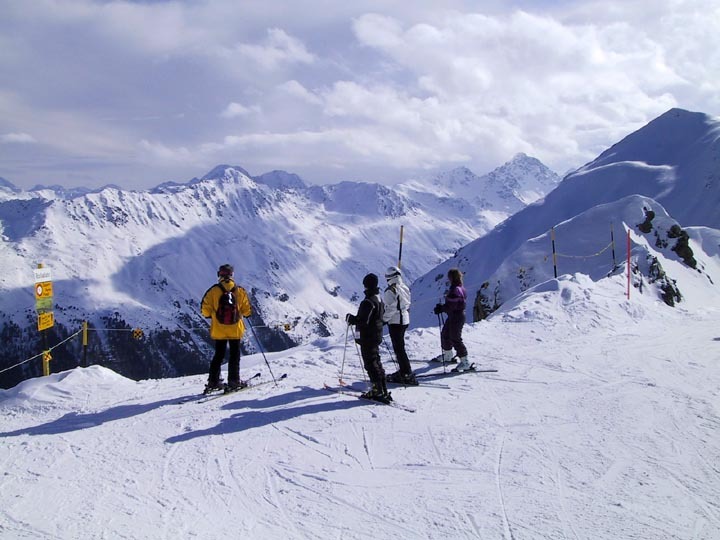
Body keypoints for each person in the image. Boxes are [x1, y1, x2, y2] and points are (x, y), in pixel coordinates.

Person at [200, 264, 252, 393]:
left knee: (218, 355)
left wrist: (212, 315)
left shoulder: (213, 291)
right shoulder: (239, 290)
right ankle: (234, 381)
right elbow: (247, 310)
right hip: (235, 328)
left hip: (219, 329)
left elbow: (205, 310)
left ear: (220, 275)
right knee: (234, 355)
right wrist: (243, 313)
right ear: (232, 275)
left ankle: (213, 381)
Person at [345, 273, 392, 403]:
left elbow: (363, 321)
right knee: (376, 361)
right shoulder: (379, 299)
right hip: (376, 334)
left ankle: (377, 390)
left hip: (368, 337)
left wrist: (352, 319)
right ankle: (382, 388)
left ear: (366, 285)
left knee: (370, 364)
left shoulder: (368, 301)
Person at [383, 266, 417, 385]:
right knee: (400, 348)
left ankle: (406, 372)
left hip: (395, 322)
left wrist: (383, 319)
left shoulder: (390, 291)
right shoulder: (404, 287)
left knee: (399, 349)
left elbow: (391, 308)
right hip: (405, 319)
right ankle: (405, 370)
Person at [433, 268, 470, 371]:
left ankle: (465, 362)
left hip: (456, 316)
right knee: (446, 334)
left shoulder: (454, 290)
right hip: (456, 315)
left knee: (455, 338)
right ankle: (448, 355)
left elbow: (451, 306)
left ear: (451, 278)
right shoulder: (460, 287)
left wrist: (441, 308)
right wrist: (443, 307)